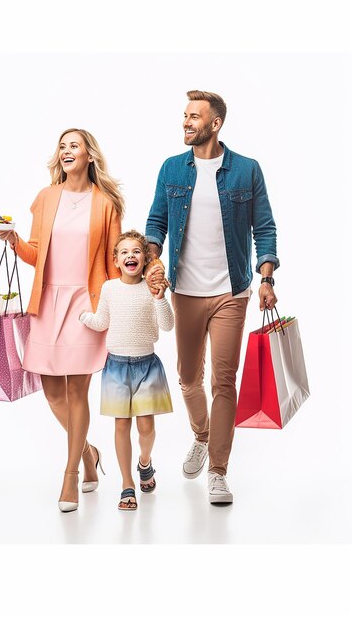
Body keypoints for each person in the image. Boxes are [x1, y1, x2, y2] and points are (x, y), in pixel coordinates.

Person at [145, 90, 279, 504]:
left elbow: (265, 228)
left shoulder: (246, 170)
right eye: (184, 116)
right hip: (184, 292)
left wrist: (267, 277)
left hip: (231, 293)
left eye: (194, 116)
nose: (186, 122)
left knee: (224, 380)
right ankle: (202, 435)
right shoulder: (171, 169)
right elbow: (156, 221)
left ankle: (218, 471)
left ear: (215, 123)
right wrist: (153, 260)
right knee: (188, 379)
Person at [0, 128, 124, 512]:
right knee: (53, 393)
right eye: (62, 147)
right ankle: (88, 452)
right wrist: (13, 239)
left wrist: (115, 309)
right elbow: (37, 253)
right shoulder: (46, 198)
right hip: (47, 302)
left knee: (77, 393)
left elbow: (115, 264)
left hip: (86, 305)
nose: (67, 151)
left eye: (75, 146)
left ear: (89, 156)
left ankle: (69, 475)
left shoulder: (105, 203)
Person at [79, 230, 174, 511]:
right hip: (117, 367)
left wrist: (159, 298)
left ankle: (145, 463)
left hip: (147, 366)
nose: (130, 256)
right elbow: (101, 321)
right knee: (122, 425)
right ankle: (126, 483)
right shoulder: (109, 288)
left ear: (145, 258)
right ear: (117, 261)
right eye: (124, 252)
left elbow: (168, 326)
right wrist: (83, 317)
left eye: (136, 251)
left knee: (146, 427)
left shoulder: (151, 288)